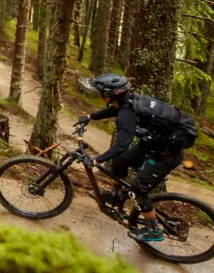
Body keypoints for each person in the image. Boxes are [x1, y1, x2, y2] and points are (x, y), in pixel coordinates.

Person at [77, 74, 199, 242]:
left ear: (110, 94)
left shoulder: (126, 115)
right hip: (153, 144)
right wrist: (90, 117)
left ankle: (153, 230)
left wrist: (96, 160)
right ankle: (115, 194)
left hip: (166, 155)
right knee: (120, 162)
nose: (99, 95)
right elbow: (116, 109)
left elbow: (120, 146)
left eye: (101, 93)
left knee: (138, 190)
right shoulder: (129, 101)